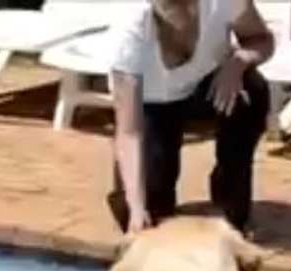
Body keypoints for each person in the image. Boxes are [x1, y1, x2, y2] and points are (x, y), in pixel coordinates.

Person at [105, 0, 275, 236]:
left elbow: (261, 39)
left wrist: (239, 62)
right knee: (143, 214)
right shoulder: (130, 30)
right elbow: (129, 132)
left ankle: (231, 199)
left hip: (204, 86)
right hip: (151, 104)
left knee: (251, 92)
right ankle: (145, 201)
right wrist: (136, 207)